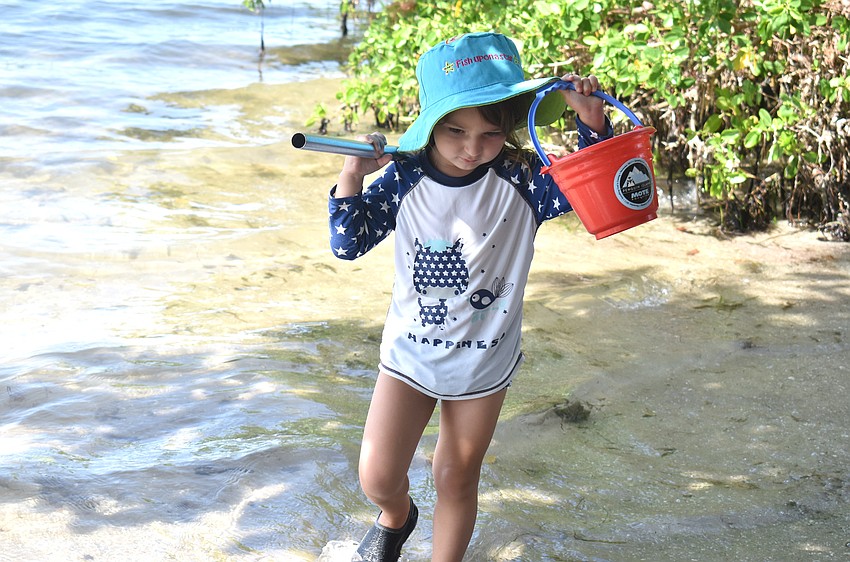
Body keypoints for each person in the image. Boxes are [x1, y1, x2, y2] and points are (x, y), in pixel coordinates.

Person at [327, 32, 612, 562]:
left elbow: (597, 192)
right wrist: (352, 175)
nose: (472, 148)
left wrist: (591, 124)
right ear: (430, 124)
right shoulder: (406, 177)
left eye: (490, 133)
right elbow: (348, 244)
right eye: (455, 130)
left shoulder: (525, 179)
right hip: (409, 354)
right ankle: (397, 516)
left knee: (455, 475)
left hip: (484, 359)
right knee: (378, 477)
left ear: (510, 127)